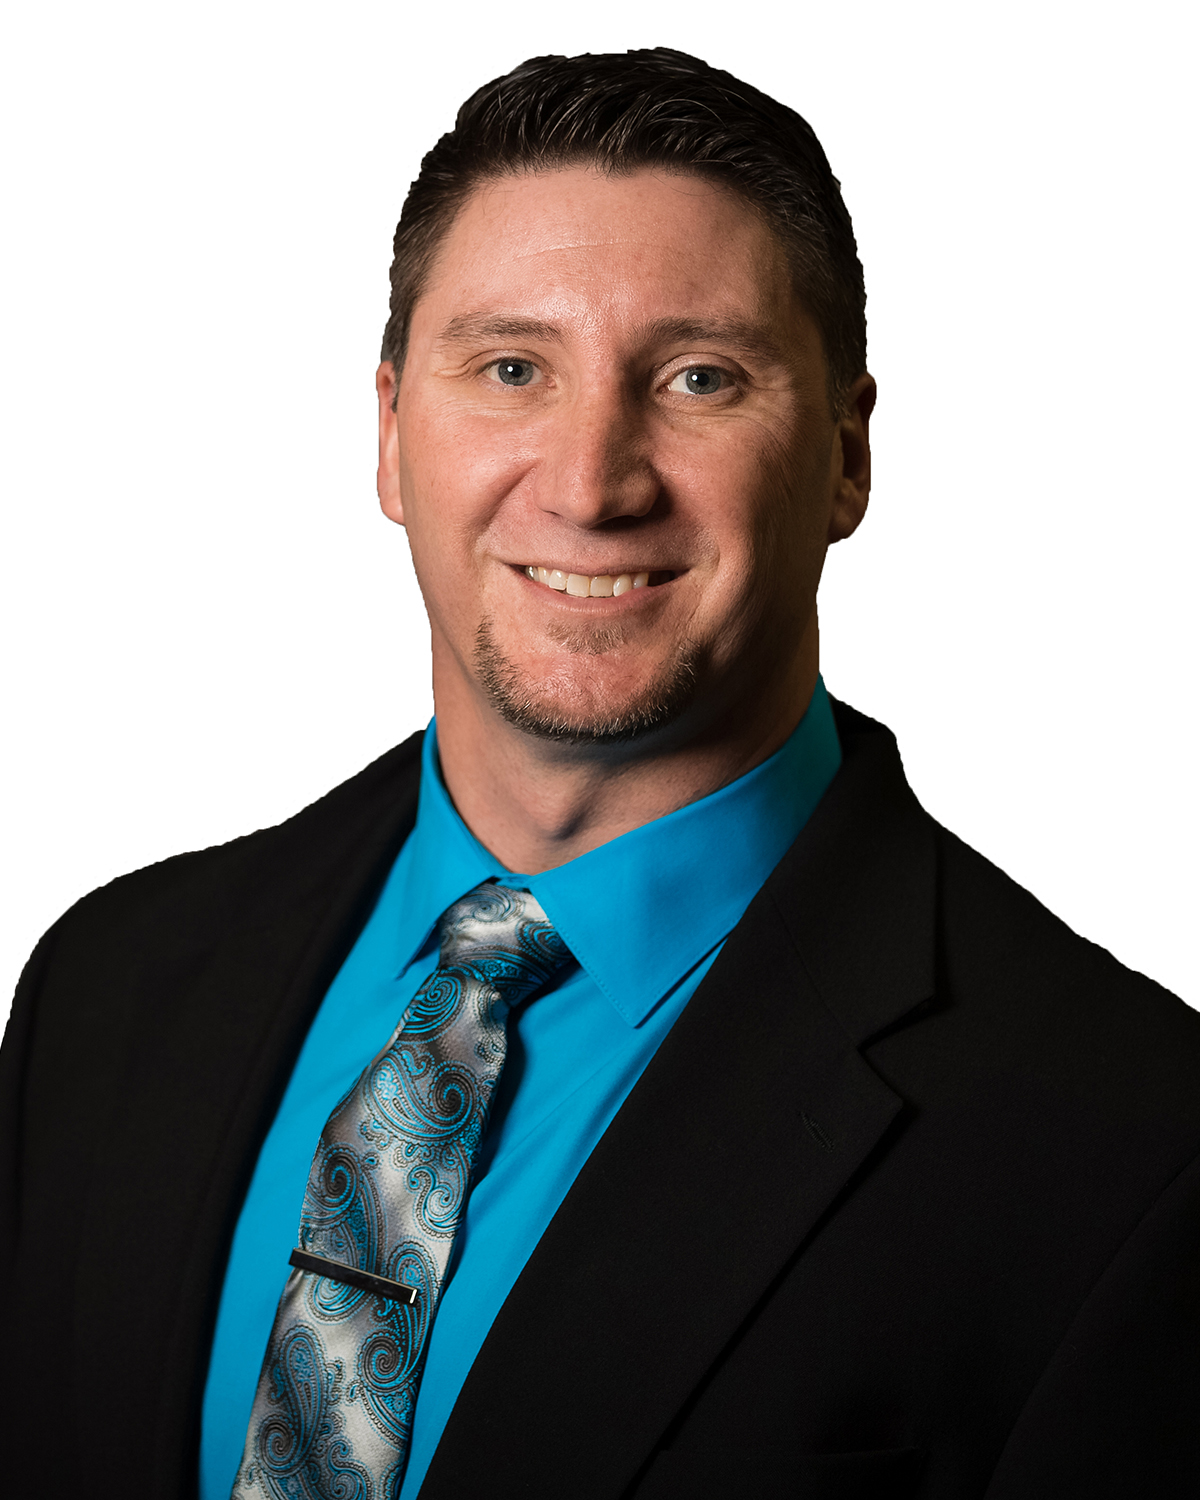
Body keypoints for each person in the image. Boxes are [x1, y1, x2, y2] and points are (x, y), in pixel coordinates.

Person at [2, 46, 1198, 1500]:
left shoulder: (1131, 1147)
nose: (590, 483)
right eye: (512, 369)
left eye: (699, 378)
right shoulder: (108, 989)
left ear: (844, 453)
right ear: (391, 433)